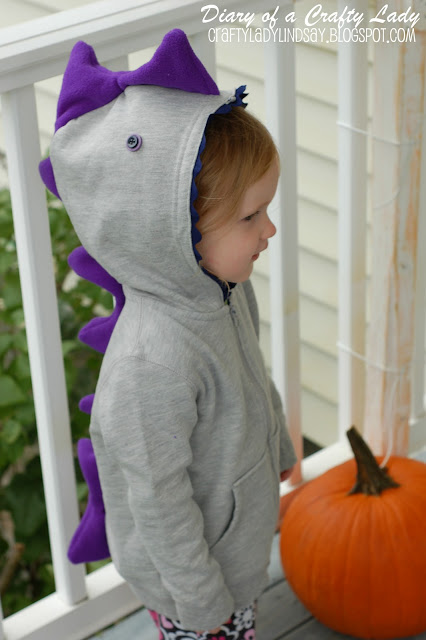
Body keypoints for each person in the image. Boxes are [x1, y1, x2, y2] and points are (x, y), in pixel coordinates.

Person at [40, 29, 297, 639]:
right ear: (171, 232)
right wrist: (201, 602)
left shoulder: (225, 291)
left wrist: (280, 449)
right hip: (195, 585)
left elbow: (254, 375)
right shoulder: (150, 365)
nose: (270, 230)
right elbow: (158, 501)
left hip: (234, 548)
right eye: (250, 216)